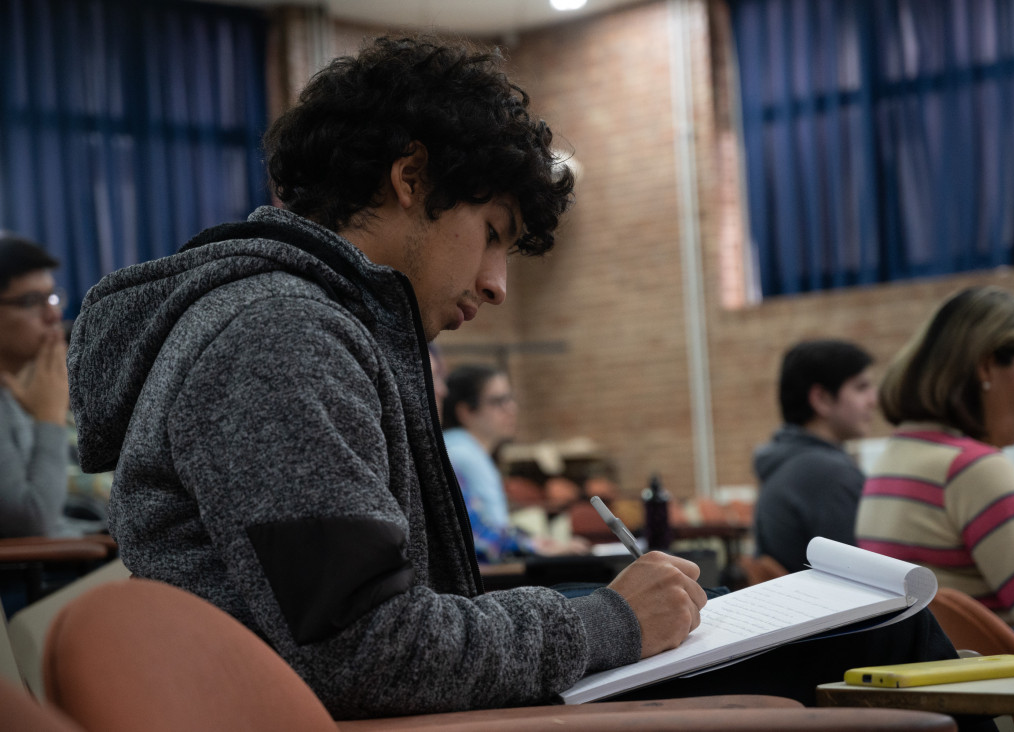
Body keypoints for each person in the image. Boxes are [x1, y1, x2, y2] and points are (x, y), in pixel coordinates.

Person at [68, 35, 959, 722]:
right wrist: (606, 625)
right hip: (401, 722)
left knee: (845, 631)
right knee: (886, 633)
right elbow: (364, 650)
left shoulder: (296, 322)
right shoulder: (278, 334)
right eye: (492, 231)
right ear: (411, 177)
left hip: (410, 710)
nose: (497, 283)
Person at [856, 286, 1014, 629]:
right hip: (1000, 679)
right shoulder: (974, 470)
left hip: (936, 677)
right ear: (986, 366)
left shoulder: (892, 457)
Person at [752, 339, 876, 573]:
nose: (873, 400)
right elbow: (864, 576)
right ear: (822, 399)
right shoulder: (828, 473)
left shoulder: (787, 461)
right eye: (861, 388)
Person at [442, 363, 586, 562]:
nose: (512, 409)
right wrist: (533, 546)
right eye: (498, 401)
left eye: (510, 399)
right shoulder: (463, 454)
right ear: (466, 411)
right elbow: (484, 539)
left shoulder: (460, 447)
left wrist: (533, 541)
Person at [0, 234, 71, 538]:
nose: (53, 315)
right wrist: (49, 415)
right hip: (49, 577)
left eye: (51, 297)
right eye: (31, 301)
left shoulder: (22, 388)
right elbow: (33, 520)